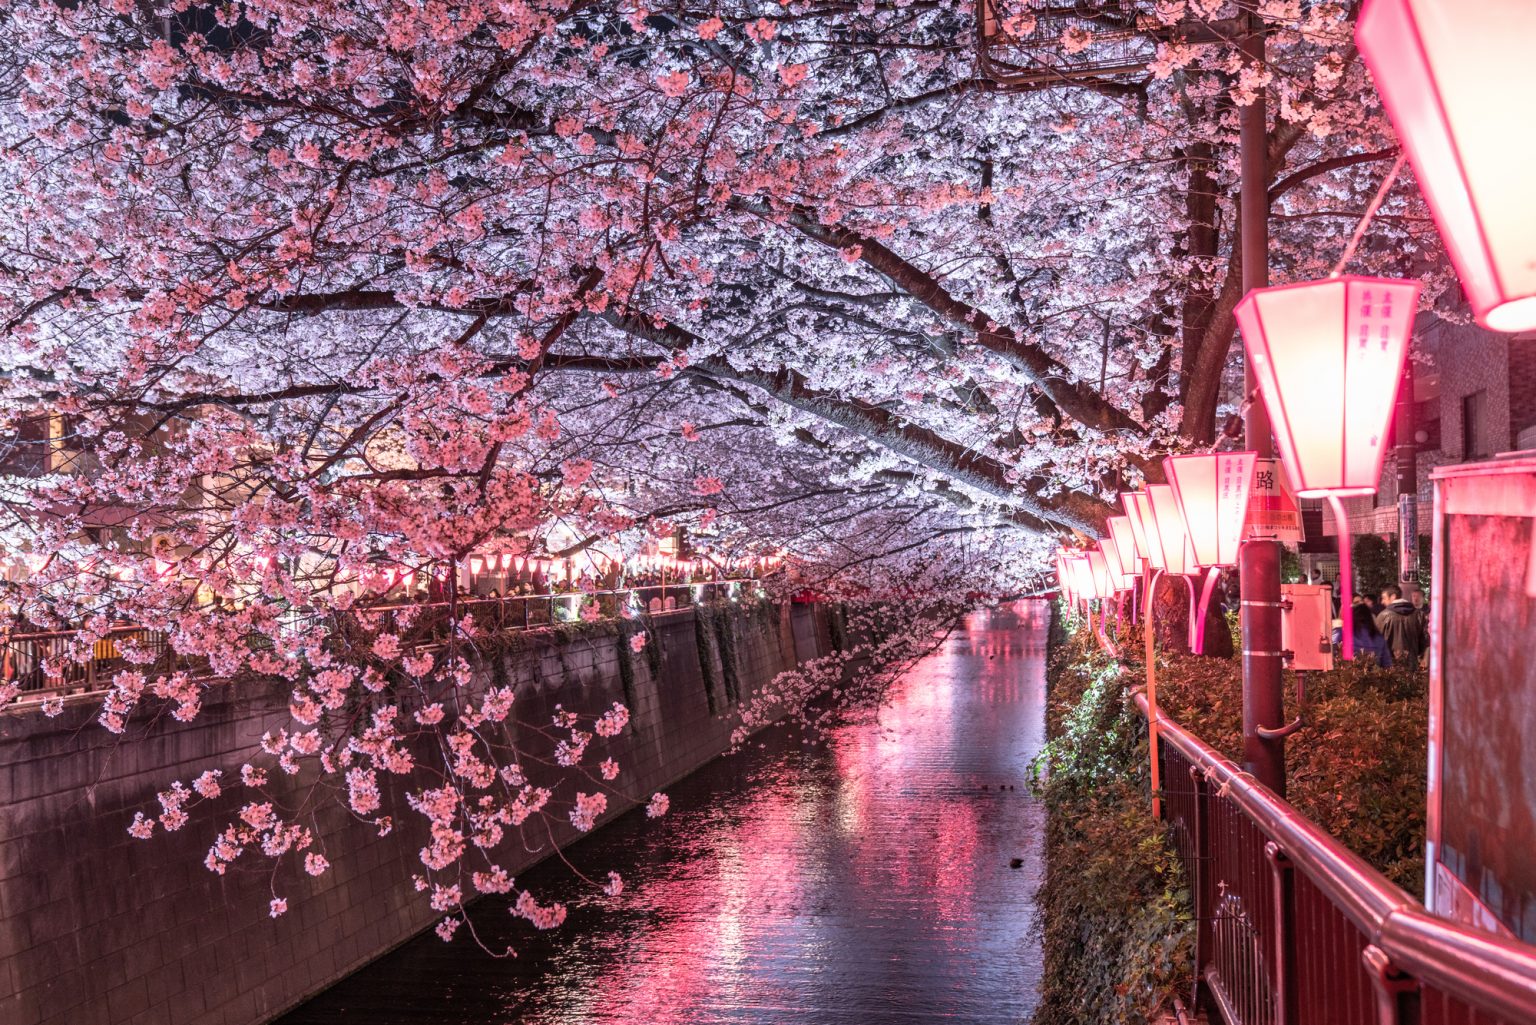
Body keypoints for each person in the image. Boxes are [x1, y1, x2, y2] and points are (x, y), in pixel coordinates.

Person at [1376, 584, 1427, 667]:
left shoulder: (1383, 616)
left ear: (1393, 597)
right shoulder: (1419, 615)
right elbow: (1424, 641)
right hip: (1412, 664)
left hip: (1388, 666)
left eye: (1384, 598)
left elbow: (1376, 642)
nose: (1382, 602)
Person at [1334, 603, 1392, 668]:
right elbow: (1387, 664)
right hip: (1374, 673)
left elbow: (1331, 654)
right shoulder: (1378, 637)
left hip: (1347, 673)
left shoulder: (1342, 634)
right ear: (1369, 617)